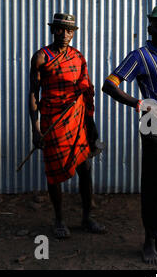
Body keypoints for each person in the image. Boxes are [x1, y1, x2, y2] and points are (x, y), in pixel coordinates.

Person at [102, 5, 157, 265]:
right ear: (150, 28)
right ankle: (149, 243)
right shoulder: (140, 56)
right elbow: (110, 84)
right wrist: (140, 104)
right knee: (155, 188)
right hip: (155, 134)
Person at [29, 13, 106, 239]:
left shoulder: (78, 57)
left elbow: (86, 92)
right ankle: (59, 219)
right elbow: (34, 94)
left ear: (74, 33)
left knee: (85, 169)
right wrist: (36, 129)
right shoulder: (41, 58)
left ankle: (87, 217)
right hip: (52, 121)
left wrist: (90, 125)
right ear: (53, 30)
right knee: (54, 172)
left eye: (69, 30)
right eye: (60, 29)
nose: (65, 34)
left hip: (77, 120)